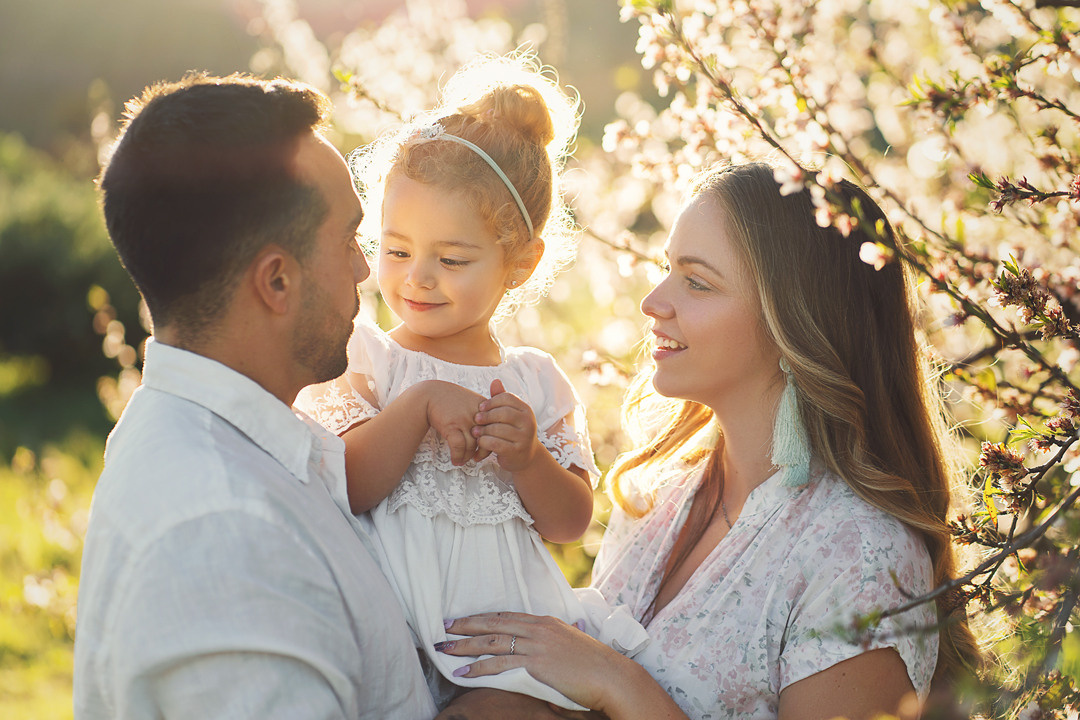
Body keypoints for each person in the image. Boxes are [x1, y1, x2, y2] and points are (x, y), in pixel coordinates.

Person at [435, 161, 982, 719]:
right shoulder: (657, 494)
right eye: (667, 268)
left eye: (697, 282)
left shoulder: (860, 557)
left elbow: (605, 683)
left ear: (795, 324)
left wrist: (616, 681)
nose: (653, 302)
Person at [73, 74, 438, 719]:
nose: (364, 268)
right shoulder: (223, 535)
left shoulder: (237, 446)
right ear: (276, 281)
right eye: (347, 239)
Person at [296, 55, 647, 711]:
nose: (417, 277)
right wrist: (420, 405)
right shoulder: (366, 358)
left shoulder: (534, 382)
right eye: (396, 250)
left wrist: (530, 458)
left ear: (521, 263)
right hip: (391, 635)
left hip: (504, 651)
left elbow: (570, 523)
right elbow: (348, 484)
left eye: (452, 259)